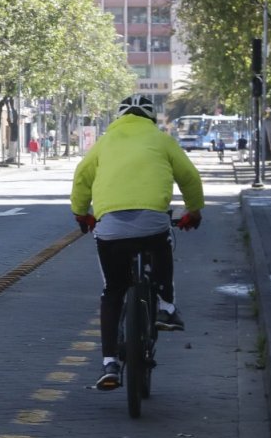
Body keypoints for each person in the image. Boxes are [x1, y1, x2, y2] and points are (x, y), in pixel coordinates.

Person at [70, 94, 205, 391]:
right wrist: (193, 211)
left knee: (113, 290)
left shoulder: (105, 142)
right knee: (162, 244)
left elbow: (82, 178)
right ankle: (166, 307)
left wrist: (82, 215)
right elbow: (189, 177)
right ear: (151, 117)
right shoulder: (162, 139)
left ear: (119, 117)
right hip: (153, 222)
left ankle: (109, 364)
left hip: (111, 229)